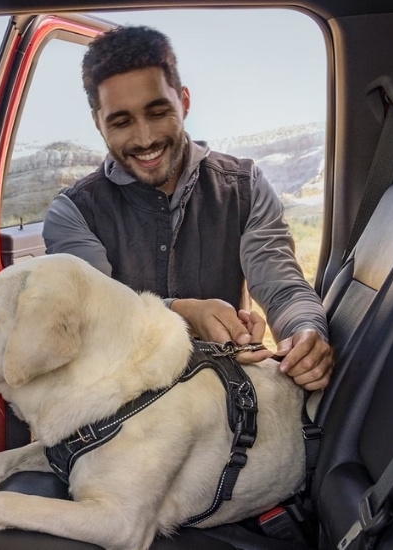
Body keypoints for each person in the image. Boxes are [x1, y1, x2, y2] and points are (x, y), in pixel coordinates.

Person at [42, 26, 333, 391]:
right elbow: (91, 317)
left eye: (158, 111)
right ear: (98, 123)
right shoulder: (72, 212)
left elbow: (283, 288)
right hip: (116, 417)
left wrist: (304, 331)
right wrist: (182, 314)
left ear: (184, 101)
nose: (145, 138)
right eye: (121, 121)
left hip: (227, 411)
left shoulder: (246, 186)